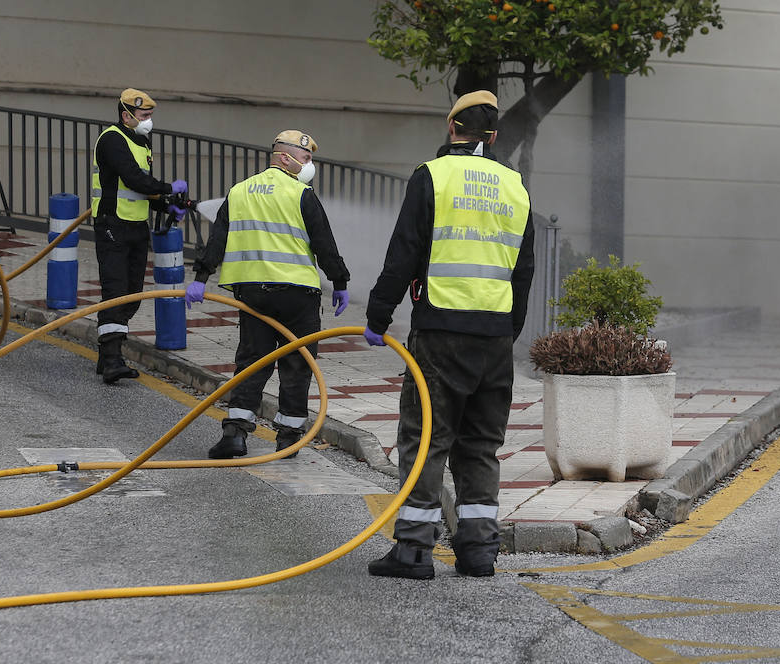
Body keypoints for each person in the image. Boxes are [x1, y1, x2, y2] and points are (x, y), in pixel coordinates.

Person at [363, 91, 534, 579]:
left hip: (441, 332)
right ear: (494, 136)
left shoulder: (432, 177)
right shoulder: (516, 187)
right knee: (481, 444)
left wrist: (378, 316)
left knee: (426, 439)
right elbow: (523, 272)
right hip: (495, 338)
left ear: (452, 128)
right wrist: (507, 329)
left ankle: (414, 549)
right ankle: (479, 551)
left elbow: (405, 251)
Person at [186, 130, 350, 460]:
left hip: (252, 293)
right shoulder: (301, 194)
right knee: (297, 365)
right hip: (297, 295)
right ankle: (288, 438)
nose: (310, 165)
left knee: (252, 362)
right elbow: (324, 244)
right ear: (286, 158)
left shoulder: (240, 191)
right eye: (306, 159)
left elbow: (218, 238)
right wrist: (341, 282)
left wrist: (200, 278)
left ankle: (235, 433)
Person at [91, 88, 189, 384]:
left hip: (135, 226)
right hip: (112, 224)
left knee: (132, 294)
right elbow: (133, 177)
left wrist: (166, 203)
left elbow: (141, 189)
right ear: (126, 115)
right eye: (144, 116)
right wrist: (169, 188)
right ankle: (111, 361)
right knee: (115, 292)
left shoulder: (141, 141)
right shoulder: (112, 139)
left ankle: (107, 352)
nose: (149, 121)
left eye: (150, 116)